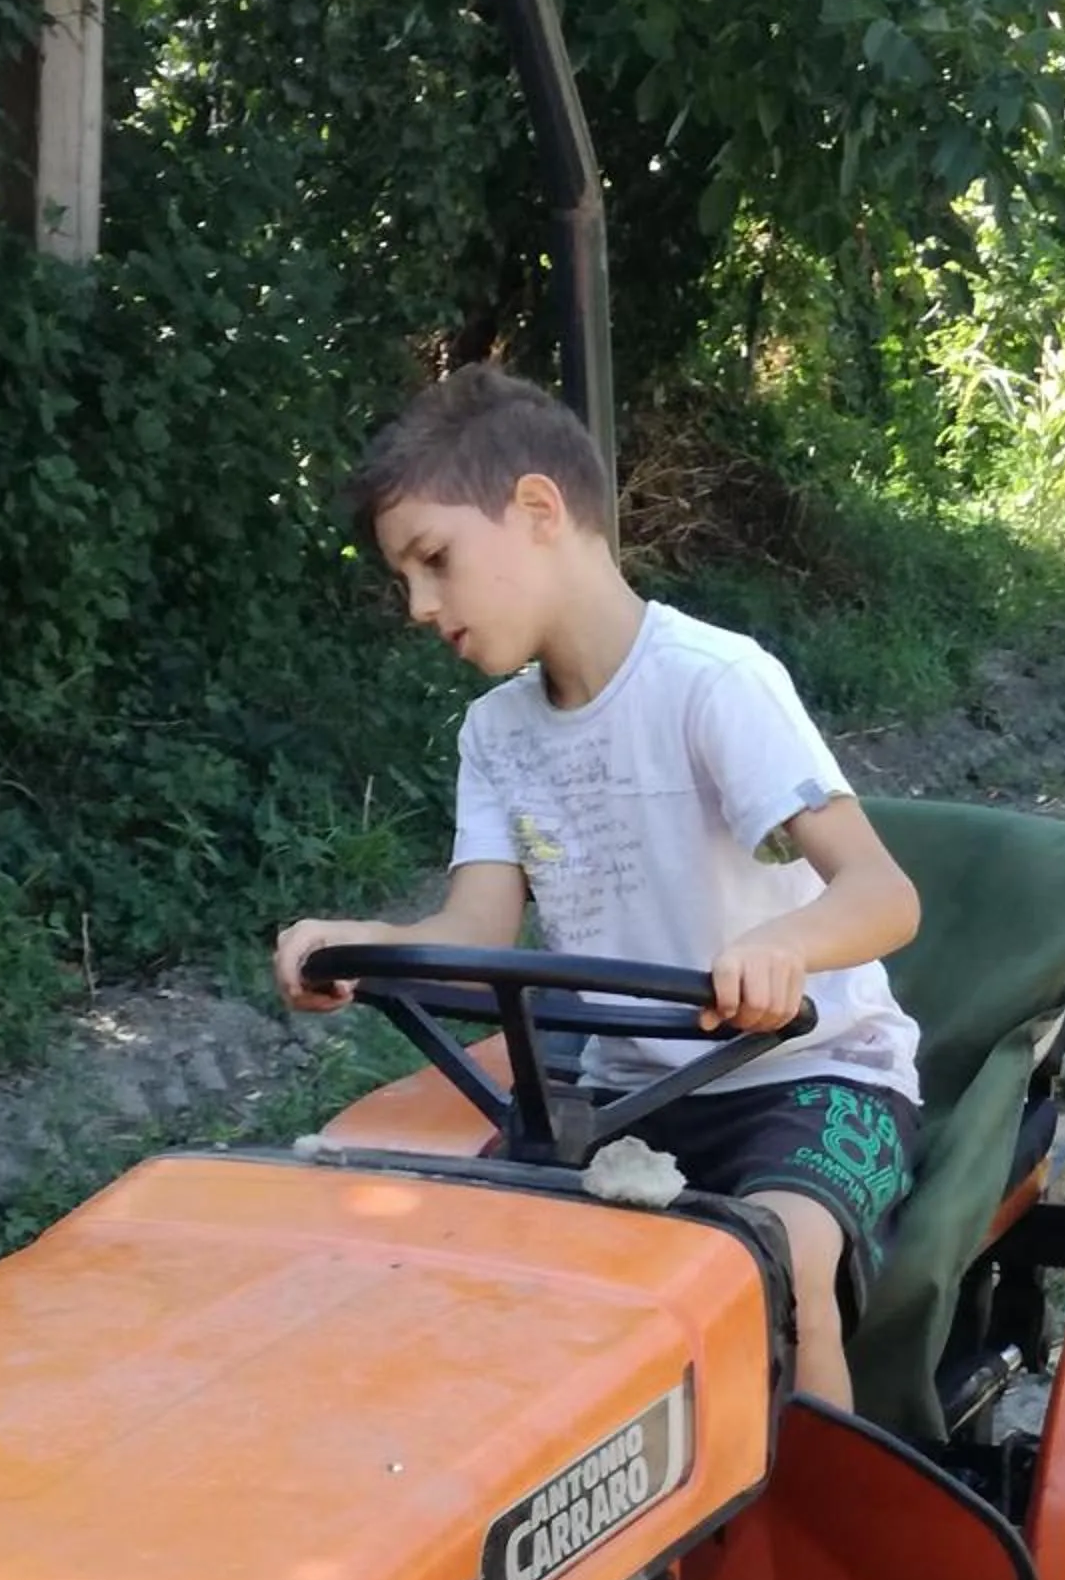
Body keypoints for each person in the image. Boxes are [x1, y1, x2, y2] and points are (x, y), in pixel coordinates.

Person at [274, 363, 922, 1410]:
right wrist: (360, 945)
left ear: (538, 509)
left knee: (778, 1264)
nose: (418, 605)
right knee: (459, 1255)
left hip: (807, 1080)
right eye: (404, 579)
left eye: (433, 560)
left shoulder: (714, 684)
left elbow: (885, 896)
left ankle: (805, 1545)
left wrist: (787, 949)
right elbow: (476, 934)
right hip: (628, 1092)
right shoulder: (496, 735)